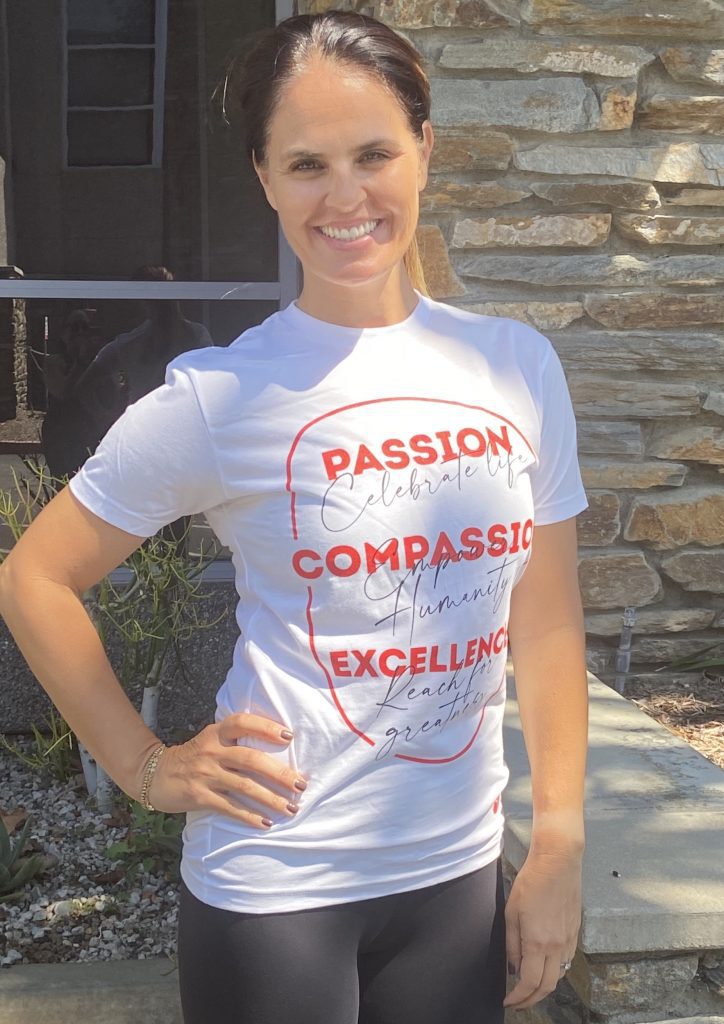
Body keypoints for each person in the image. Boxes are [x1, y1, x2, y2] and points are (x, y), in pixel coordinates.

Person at [0, 12, 589, 1024]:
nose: (346, 196)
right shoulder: (222, 396)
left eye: (374, 154)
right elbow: (33, 576)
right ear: (265, 179)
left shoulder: (515, 368)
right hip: (275, 888)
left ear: (425, 150)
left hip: (455, 875)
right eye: (307, 164)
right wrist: (145, 765)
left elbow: (544, 621)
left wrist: (561, 844)